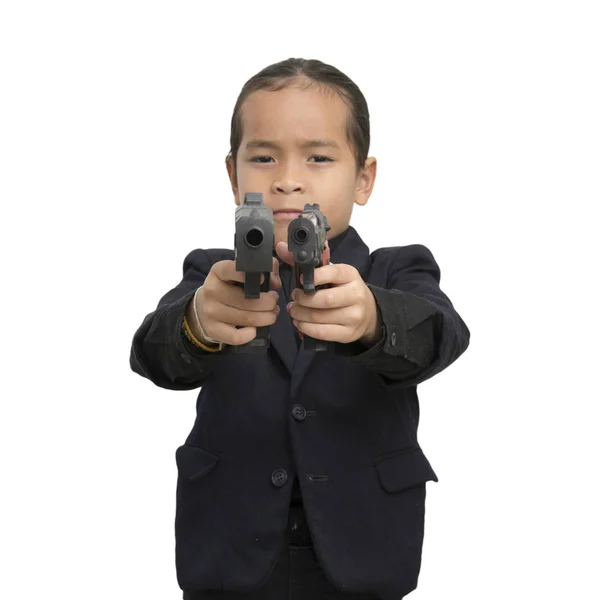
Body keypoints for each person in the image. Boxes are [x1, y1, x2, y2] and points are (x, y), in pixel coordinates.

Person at [130, 57, 470, 600]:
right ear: (232, 174)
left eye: (318, 157)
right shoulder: (209, 273)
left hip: (365, 548)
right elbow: (153, 356)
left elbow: (442, 336)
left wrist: (374, 321)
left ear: (364, 178)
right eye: (263, 157)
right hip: (229, 549)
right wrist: (197, 322)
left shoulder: (396, 270)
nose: (287, 179)